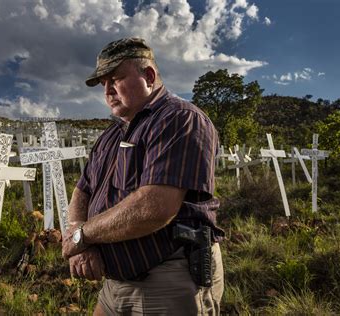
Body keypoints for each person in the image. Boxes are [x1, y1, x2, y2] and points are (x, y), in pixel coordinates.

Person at [62, 37, 225, 315]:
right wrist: (80, 243)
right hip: (115, 282)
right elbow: (83, 190)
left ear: (149, 76)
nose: (108, 90)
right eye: (103, 83)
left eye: (116, 78)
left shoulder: (179, 119)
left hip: (167, 279)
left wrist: (82, 235)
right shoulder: (111, 135)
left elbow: (154, 207)